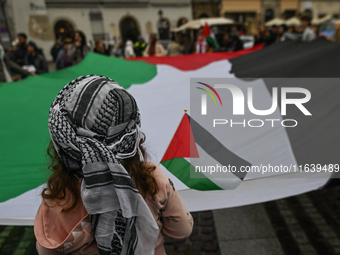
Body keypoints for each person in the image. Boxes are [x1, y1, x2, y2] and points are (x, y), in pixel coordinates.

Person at [34, 75, 193, 255]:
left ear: (62, 144)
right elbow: (182, 230)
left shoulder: (57, 198)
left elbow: (45, 251)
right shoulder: (153, 179)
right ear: (131, 134)